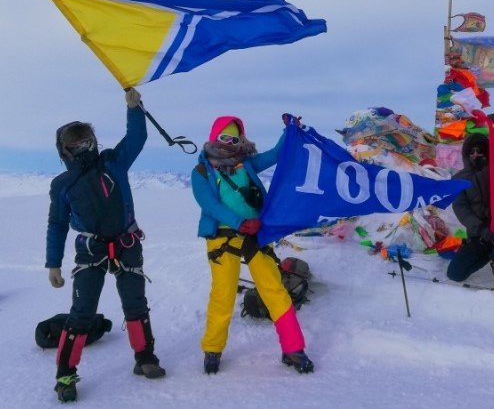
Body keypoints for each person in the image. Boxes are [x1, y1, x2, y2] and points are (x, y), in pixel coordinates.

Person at [45, 89, 165, 403]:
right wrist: (53, 263)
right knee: (82, 312)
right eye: (76, 144)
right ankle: (65, 375)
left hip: (127, 243)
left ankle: (145, 356)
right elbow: (57, 225)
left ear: (94, 141)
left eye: (87, 140)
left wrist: (134, 109)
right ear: (65, 150)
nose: (84, 147)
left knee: (135, 303)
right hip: (90, 250)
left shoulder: (113, 161)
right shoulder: (62, 185)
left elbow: (136, 138)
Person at [191, 114, 313, 375]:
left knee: (274, 289)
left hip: (254, 234)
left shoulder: (245, 163)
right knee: (223, 293)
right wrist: (239, 222)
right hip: (223, 236)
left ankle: (293, 348)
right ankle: (212, 349)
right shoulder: (201, 172)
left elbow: (275, 155)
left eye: (235, 139)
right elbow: (209, 204)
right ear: (213, 137)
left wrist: (289, 131)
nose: (229, 143)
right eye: (224, 137)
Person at [446, 133, 494, 290]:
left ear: (486, 152)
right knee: (455, 274)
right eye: (472, 151)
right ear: (466, 154)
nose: (476, 154)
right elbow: (461, 208)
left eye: (480, 151)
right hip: (478, 233)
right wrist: (480, 228)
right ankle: (489, 252)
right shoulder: (458, 179)